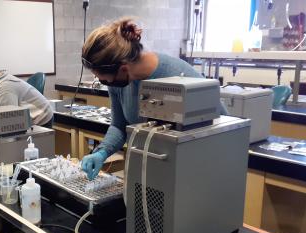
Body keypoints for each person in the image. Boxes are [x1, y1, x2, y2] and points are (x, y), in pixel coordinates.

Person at [80, 17, 228, 180]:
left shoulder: (178, 75)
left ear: (123, 68)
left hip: (188, 173)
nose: (105, 83)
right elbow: (119, 125)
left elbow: (223, 124)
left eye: (103, 79)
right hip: (148, 166)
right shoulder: (120, 82)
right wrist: (102, 152)